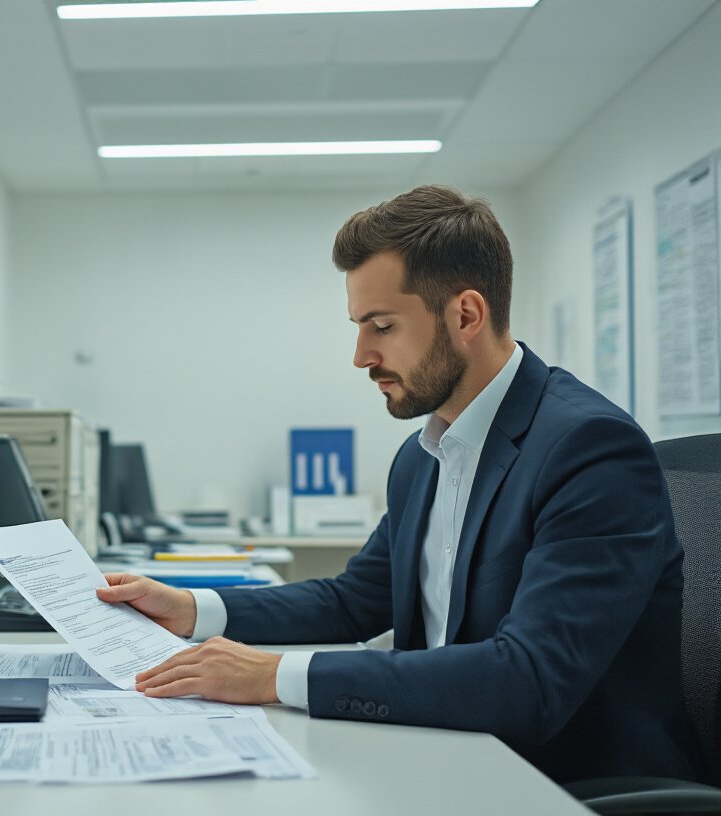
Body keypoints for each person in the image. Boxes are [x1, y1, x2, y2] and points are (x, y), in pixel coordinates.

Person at [98, 185, 706, 784]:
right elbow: (354, 600)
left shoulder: (589, 449)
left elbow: (529, 680)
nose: (361, 355)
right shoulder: (424, 456)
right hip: (443, 752)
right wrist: (191, 610)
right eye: (359, 326)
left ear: (465, 314)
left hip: (558, 782)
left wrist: (273, 675)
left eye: (381, 326)